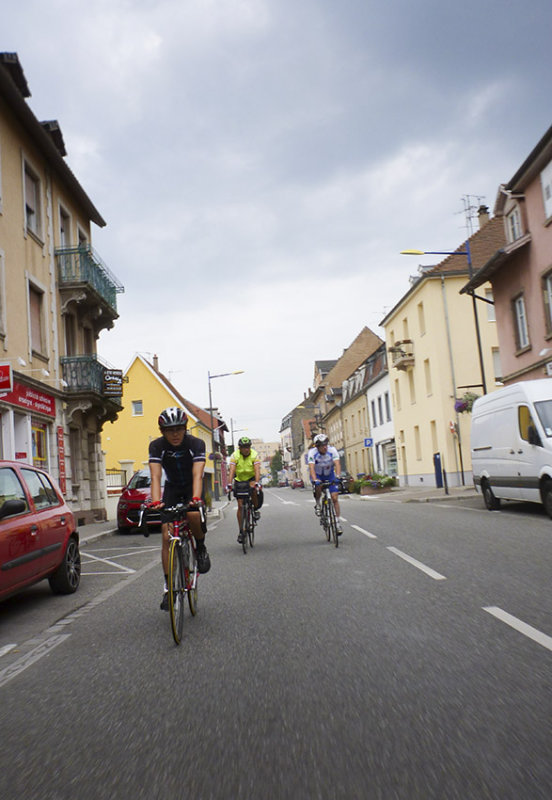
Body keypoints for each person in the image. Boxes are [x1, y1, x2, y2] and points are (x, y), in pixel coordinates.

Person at [149, 407, 211, 611]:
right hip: (173, 488)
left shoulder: (196, 443)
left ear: (185, 429)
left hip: (192, 487)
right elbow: (156, 476)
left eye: (179, 429)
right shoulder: (157, 447)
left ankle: (200, 547)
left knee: (193, 515)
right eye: (169, 430)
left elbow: (197, 474)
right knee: (166, 537)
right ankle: (169, 589)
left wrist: (195, 498)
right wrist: (157, 501)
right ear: (162, 431)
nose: (175, 434)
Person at [227, 436, 263, 543]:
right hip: (239, 480)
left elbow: (257, 470)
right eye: (244, 447)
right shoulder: (235, 455)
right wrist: (229, 484)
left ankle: (255, 509)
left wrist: (256, 483)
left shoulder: (254, 455)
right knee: (240, 505)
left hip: (251, 478)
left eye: (248, 447)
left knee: (254, 492)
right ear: (240, 448)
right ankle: (241, 531)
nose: (246, 449)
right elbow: (232, 470)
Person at [307, 433, 343, 535]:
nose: (325, 447)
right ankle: (318, 503)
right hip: (318, 475)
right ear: (317, 447)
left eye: (326, 444)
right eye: (322, 445)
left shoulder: (332, 450)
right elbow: (311, 468)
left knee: (335, 498)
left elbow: (337, 464)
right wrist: (315, 480)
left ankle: (337, 522)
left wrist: (338, 476)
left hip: (329, 475)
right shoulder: (312, 453)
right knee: (317, 486)